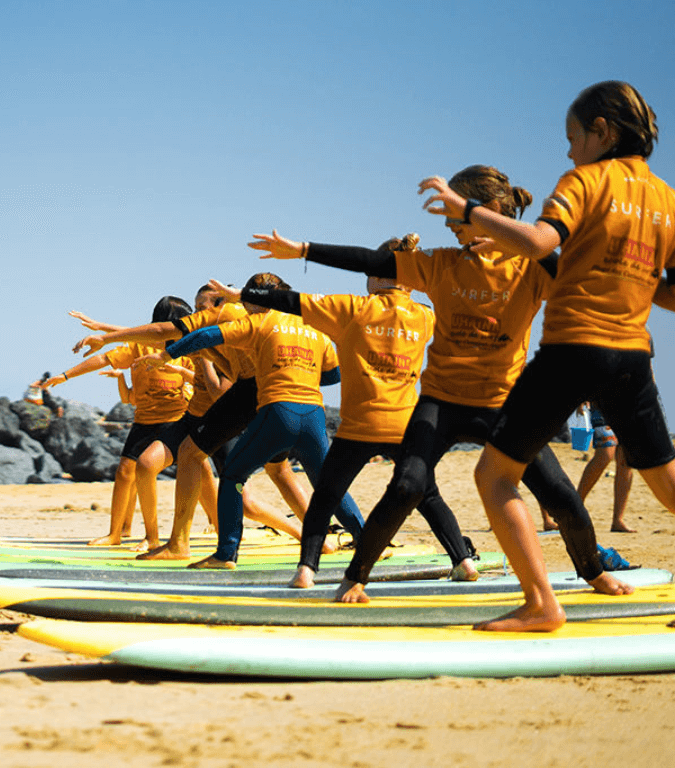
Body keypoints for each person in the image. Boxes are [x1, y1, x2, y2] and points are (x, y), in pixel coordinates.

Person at [252, 163, 630, 606]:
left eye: (455, 218)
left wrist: (514, 236)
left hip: (504, 404)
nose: (450, 228)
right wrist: (301, 249)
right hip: (442, 402)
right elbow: (370, 260)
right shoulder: (442, 264)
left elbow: (567, 271)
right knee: (408, 484)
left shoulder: (532, 270)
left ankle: (594, 572)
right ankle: (355, 578)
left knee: (560, 494)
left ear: (484, 212)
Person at [422, 81, 675, 631]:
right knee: (668, 484)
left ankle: (542, 604)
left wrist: (467, 209)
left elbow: (538, 243)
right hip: (633, 354)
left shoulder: (585, 179)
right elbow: (669, 291)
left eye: (572, 137)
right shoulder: (665, 197)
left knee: (494, 475)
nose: (567, 151)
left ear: (601, 132)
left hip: (574, 349)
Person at [207, 274, 479, 587]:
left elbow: (295, 301)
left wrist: (244, 295)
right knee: (428, 495)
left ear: (377, 278)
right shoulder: (422, 315)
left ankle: (306, 571)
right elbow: (450, 311)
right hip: (404, 420)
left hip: (362, 421)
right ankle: (463, 560)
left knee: (325, 494)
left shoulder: (356, 309)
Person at [72, 287, 313, 557]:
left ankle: (305, 535)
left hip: (226, 422)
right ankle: (172, 542)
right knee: (150, 462)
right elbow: (159, 333)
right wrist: (105, 333)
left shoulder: (232, 334)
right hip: (197, 420)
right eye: (195, 308)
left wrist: (203, 358)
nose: (197, 313)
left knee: (249, 499)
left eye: (201, 307)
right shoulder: (208, 330)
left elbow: (220, 391)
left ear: (220, 307)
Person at [153, 272, 365, 569]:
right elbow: (334, 374)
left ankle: (226, 554)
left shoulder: (261, 322)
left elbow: (206, 336)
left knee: (233, 477)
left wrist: (169, 354)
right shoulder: (315, 329)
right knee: (329, 484)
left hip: (279, 412)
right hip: (314, 416)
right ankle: (368, 542)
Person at [41, 296, 196, 550]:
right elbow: (104, 359)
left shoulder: (187, 347)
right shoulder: (139, 346)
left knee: (198, 474)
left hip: (176, 421)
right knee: (125, 472)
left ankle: (215, 526)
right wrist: (66, 375)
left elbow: (201, 374)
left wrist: (186, 381)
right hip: (144, 420)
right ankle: (116, 534)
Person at [573, 404, 635, 532]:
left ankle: (618, 520)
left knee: (625, 461)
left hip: (629, 402)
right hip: (601, 400)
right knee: (605, 454)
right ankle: (573, 509)